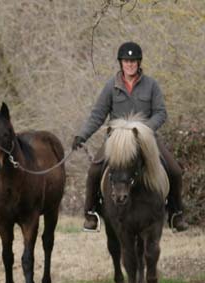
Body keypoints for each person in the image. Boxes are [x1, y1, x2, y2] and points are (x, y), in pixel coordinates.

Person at [72, 41, 188, 232]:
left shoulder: (151, 85)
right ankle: (91, 213)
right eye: (126, 61)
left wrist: (145, 130)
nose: (130, 64)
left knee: (174, 170)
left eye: (133, 61)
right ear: (121, 63)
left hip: (147, 139)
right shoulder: (111, 86)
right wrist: (82, 136)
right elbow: (98, 115)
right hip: (117, 142)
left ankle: (176, 213)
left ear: (139, 63)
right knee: (94, 171)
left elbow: (160, 112)